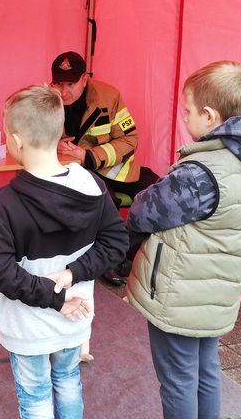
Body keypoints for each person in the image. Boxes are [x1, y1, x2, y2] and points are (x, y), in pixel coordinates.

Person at [124, 60, 241, 419]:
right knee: (205, 371)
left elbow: (144, 211)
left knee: (177, 377)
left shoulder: (200, 172)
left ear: (209, 116)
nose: (184, 117)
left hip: (182, 289)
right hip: (216, 288)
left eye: (188, 111)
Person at [0, 84, 128, 419]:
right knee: (67, 379)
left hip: (30, 323)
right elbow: (116, 243)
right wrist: (73, 275)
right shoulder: (91, 184)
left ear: (16, 140)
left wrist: (56, 292)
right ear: (60, 131)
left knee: (34, 392)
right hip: (75, 316)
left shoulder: (6, 202)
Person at [49, 51, 160, 286]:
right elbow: (32, 138)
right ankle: (111, 260)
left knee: (157, 192)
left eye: (70, 84)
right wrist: (53, 142)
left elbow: (130, 138)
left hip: (115, 169)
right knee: (105, 199)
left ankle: (123, 255)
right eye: (59, 83)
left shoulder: (109, 97)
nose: (64, 91)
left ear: (84, 79)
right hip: (76, 173)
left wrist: (90, 156)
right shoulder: (44, 100)